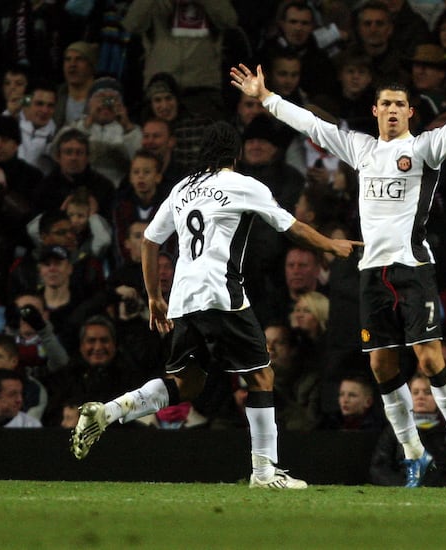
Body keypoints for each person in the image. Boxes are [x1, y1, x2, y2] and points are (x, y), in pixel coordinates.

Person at [230, 54, 446, 488]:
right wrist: (265, 98)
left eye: (400, 104)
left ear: (410, 112)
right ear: (375, 111)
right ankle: (413, 453)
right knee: (380, 367)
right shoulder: (361, 148)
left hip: (413, 268)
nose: (393, 110)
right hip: (372, 273)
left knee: (430, 359)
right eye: (386, 104)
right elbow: (312, 127)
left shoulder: (425, 148)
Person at [71, 121, 361, 489]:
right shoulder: (244, 185)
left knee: (186, 383)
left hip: (183, 299)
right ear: (236, 155)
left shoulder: (182, 188)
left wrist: (155, 297)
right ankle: (264, 473)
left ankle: (107, 411)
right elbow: (292, 228)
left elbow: (148, 240)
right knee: (261, 375)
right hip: (221, 293)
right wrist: (332, 246)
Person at [370, 373, 446, 486]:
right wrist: (402, 486)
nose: (420, 397)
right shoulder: (395, 429)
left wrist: (436, 488)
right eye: (415, 392)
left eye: (428, 392)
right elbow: (379, 468)